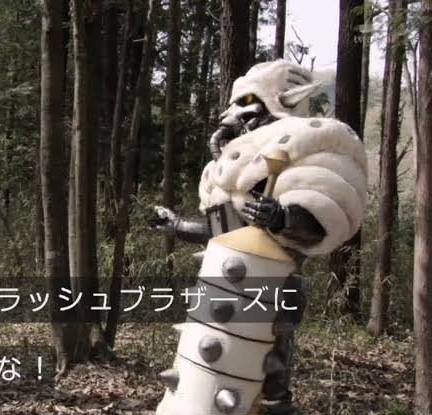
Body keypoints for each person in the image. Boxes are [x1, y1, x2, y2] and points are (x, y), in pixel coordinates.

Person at [150, 59, 367, 415]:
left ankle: (275, 404)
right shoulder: (234, 168)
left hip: (274, 281)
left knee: (270, 360)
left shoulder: (311, 154)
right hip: (221, 288)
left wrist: (282, 217)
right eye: (236, 103)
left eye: (248, 101)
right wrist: (178, 225)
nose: (235, 113)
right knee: (203, 375)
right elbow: (224, 230)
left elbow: (318, 220)